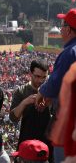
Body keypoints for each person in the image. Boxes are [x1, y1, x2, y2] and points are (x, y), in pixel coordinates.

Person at [35, 9, 76, 163]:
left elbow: (54, 84)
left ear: (69, 29)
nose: (60, 29)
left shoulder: (69, 53)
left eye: (62, 25)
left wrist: (42, 92)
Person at [10, 60, 52, 161]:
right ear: (30, 74)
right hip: (27, 142)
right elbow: (13, 118)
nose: (41, 81)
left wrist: (49, 104)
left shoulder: (51, 91)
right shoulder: (21, 91)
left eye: (44, 77)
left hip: (48, 142)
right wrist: (25, 102)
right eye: (37, 76)